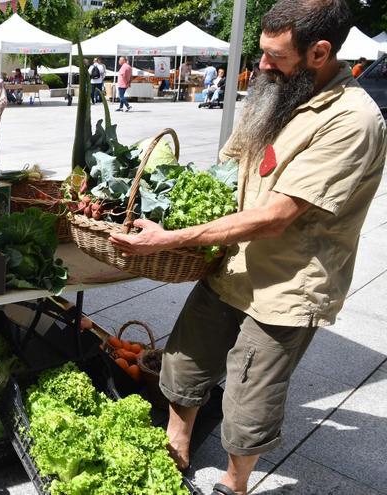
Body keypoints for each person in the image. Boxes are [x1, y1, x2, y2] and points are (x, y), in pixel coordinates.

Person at [109, 2, 386, 494]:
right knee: (183, 362)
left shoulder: (353, 120)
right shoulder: (279, 94)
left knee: (249, 398)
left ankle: (234, 484)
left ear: (320, 52)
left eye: (274, 56)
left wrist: (170, 239)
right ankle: (177, 447)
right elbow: (228, 170)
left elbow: (277, 216)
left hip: (287, 285)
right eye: (261, 52)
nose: (260, 66)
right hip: (231, 264)